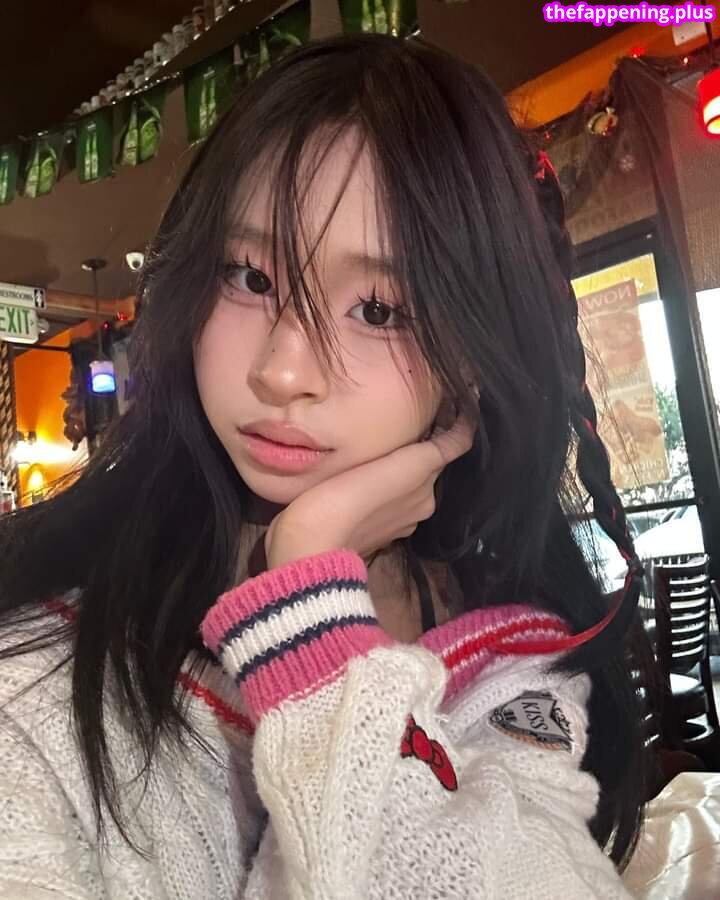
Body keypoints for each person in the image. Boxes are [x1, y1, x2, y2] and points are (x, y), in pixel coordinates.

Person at [0, 33, 649, 899]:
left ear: (472, 361)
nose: (282, 372)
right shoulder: (36, 681)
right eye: (249, 277)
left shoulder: (504, 655)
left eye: (378, 309)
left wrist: (310, 604)